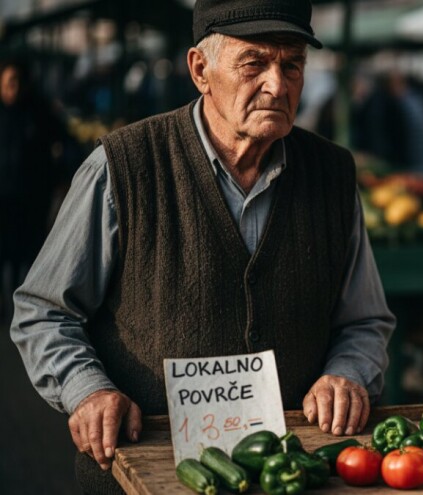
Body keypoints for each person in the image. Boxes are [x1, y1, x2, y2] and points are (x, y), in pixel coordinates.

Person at [10, 1, 394, 493]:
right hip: (146, 476)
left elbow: (365, 320)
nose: (278, 84)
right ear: (200, 70)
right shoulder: (121, 168)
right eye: (254, 62)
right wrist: (89, 391)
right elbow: (43, 310)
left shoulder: (333, 176)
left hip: (289, 475)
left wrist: (349, 373)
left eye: (292, 64)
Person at [0, 60, 67, 318]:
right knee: (6, 253)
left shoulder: (39, 113)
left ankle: (26, 304)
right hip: (3, 198)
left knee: (30, 254)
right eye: (7, 83)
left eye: (15, 82)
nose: (11, 89)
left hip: (32, 197)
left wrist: (58, 178)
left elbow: (63, 143)